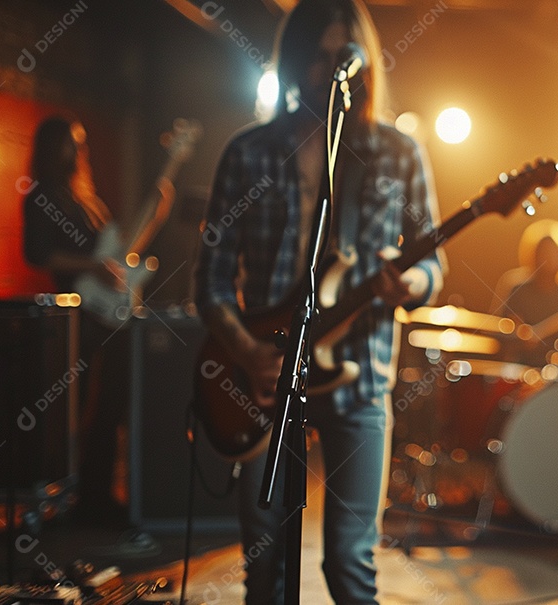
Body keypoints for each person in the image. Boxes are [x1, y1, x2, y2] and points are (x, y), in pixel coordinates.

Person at [193, 1, 444, 602]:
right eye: (318, 57)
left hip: (361, 380)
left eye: (345, 58)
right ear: (295, 60)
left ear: (365, 66)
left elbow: (433, 268)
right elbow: (211, 278)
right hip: (262, 381)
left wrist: (405, 284)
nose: (331, 70)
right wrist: (250, 352)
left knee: (350, 568)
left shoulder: (397, 154)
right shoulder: (249, 152)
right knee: (268, 569)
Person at [22, 117, 129, 524]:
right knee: (81, 407)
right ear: (53, 147)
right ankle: (81, 497)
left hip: (104, 317)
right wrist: (93, 266)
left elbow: (115, 252)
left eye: (81, 143)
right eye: (72, 143)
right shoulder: (43, 196)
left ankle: (97, 493)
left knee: (110, 405)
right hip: (74, 320)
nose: (79, 151)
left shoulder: (84, 197)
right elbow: (39, 255)